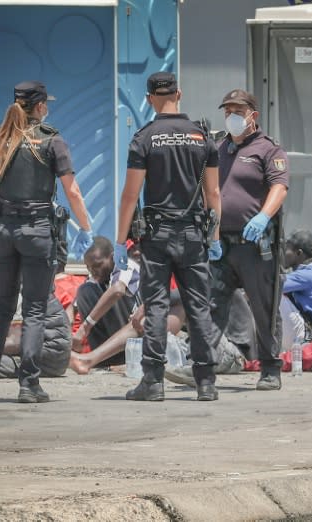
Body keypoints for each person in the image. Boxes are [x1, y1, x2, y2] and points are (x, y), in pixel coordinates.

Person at [0, 80, 94, 403]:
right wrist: (85, 228)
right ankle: (29, 384)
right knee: (35, 308)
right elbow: (73, 191)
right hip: (37, 231)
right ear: (40, 107)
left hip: (2, 232)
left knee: (1, 307)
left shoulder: (0, 140)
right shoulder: (52, 142)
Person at [113, 71, 222, 401]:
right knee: (199, 306)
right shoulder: (203, 138)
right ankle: (206, 382)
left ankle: (153, 381)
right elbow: (214, 193)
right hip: (193, 234)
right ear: (180, 93)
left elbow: (130, 196)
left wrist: (120, 242)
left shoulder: (144, 138)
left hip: (157, 236)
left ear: (149, 99)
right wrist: (214, 237)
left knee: (157, 307)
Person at [210, 88, 289, 391]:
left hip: (256, 246)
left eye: (238, 112)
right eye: (228, 111)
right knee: (211, 305)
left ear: (253, 116)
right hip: (222, 244)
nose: (232, 117)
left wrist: (263, 217)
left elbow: (279, 188)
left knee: (263, 307)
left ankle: (270, 369)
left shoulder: (268, 150)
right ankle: (201, 365)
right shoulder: (218, 149)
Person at [72, 237, 137, 366]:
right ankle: (104, 360)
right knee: (85, 290)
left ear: (113, 257)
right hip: (114, 333)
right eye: (88, 267)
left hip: (136, 331)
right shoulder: (96, 277)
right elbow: (72, 307)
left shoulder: (124, 264)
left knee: (113, 294)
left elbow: (118, 290)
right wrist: (68, 335)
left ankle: (124, 358)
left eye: (97, 265)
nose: (92, 271)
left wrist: (84, 328)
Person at [280, 230, 312, 345]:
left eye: (286, 249)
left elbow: (270, 285)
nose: (282, 254)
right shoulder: (309, 272)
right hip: (310, 329)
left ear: (299, 253)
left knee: (274, 293)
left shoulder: (307, 275)